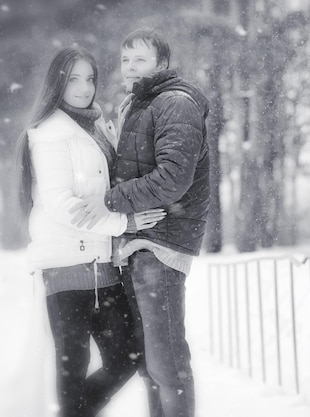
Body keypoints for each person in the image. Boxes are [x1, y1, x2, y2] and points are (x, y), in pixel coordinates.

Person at [15, 46, 167, 417]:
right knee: (73, 369)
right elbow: (62, 205)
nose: (84, 88)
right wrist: (124, 223)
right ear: (58, 83)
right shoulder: (50, 134)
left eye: (90, 79)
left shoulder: (95, 125)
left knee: (124, 358)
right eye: (73, 79)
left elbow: (104, 188)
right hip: (66, 268)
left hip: (103, 264)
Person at [71, 28, 211, 417]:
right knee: (151, 362)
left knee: (167, 361)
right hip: (138, 241)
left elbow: (172, 178)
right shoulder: (138, 104)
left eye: (141, 60)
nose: (130, 67)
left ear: (162, 64)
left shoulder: (174, 103)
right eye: (125, 59)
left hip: (160, 243)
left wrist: (110, 201)